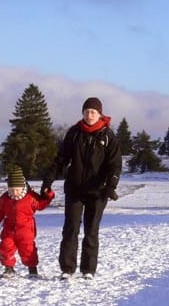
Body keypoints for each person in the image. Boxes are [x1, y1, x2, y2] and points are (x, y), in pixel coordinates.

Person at [41, 97, 122, 280]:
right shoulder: (74, 133)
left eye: (93, 112)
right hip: (75, 189)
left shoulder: (108, 136)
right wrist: (48, 180)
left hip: (97, 191)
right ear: (83, 113)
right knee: (70, 228)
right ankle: (67, 269)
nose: (89, 115)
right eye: (86, 111)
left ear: (100, 114)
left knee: (91, 230)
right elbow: (61, 159)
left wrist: (111, 185)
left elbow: (115, 164)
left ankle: (88, 270)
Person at [0, 165, 55, 278]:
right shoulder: (5, 198)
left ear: (23, 187)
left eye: (17, 190)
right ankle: (9, 269)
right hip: (9, 229)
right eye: (11, 190)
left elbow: (41, 204)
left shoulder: (30, 197)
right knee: (6, 246)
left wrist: (48, 195)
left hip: (26, 230)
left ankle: (32, 270)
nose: (14, 192)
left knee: (28, 250)